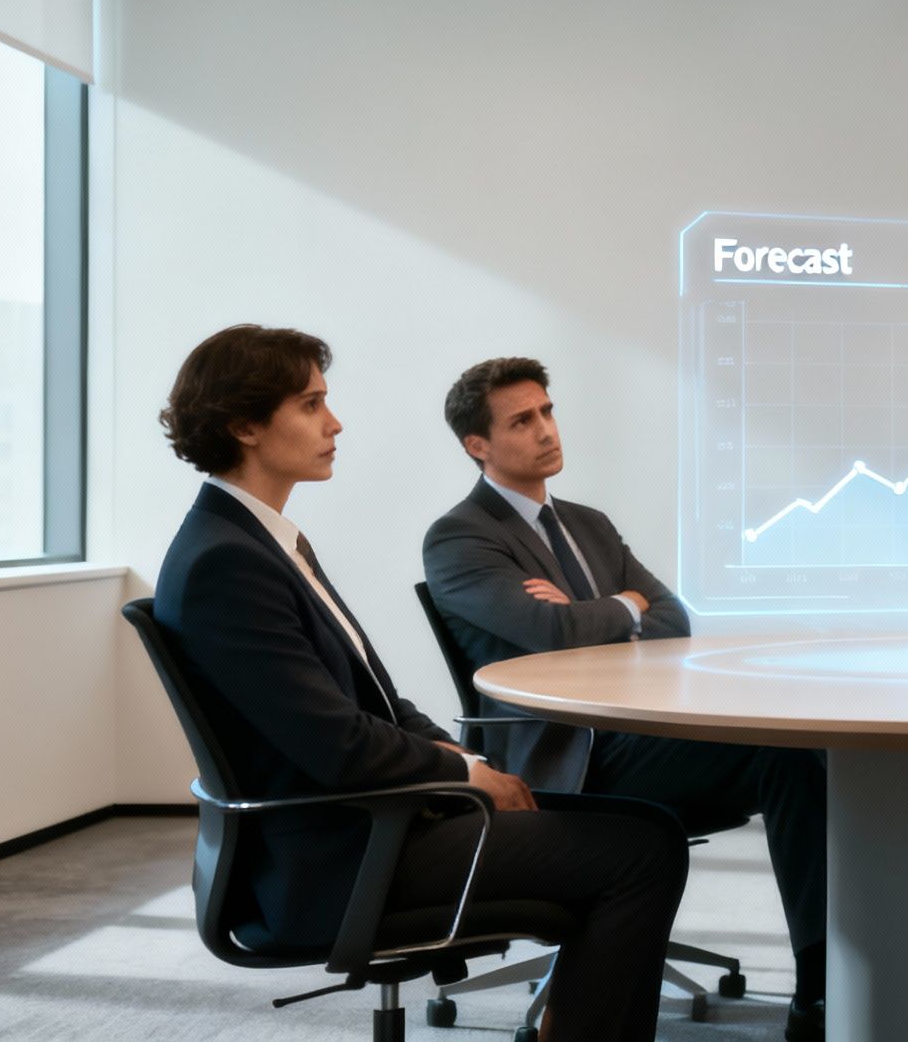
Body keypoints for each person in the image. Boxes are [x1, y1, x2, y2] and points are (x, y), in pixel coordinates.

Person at [152, 326, 688, 1042]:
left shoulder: (261, 541)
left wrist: (468, 761)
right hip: (345, 854)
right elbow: (336, 743)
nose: (335, 423)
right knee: (641, 852)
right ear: (245, 425)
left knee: (647, 827)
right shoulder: (227, 562)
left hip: (373, 822)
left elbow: (378, 701)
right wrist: (461, 774)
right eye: (311, 404)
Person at [422, 356, 908, 1042]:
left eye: (548, 411)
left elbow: (673, 619)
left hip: (637, 733)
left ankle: (856, 959)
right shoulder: (460, 537)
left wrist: (599, 612)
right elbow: (550, 632)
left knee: (796, 748)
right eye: (521, 421)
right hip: (570, 759)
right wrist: (624, 604)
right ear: (477, 444)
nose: (545, 430)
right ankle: (895, 940)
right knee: (780, 752)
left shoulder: (588, 524)